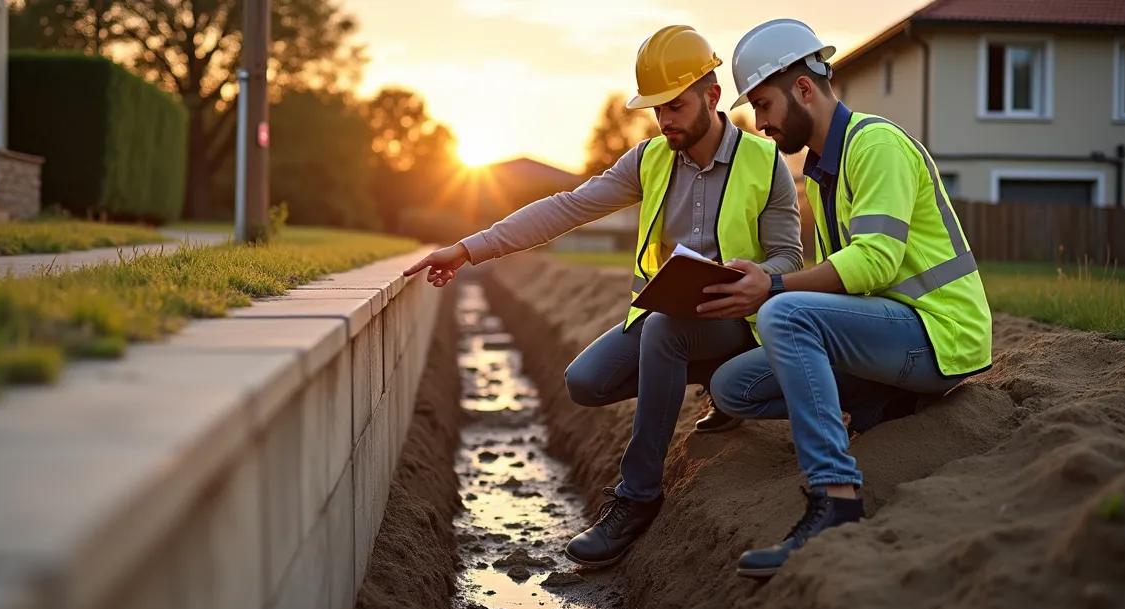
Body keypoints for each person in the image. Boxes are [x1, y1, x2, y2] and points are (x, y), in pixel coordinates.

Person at [403, 25, 804, 567]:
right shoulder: (650, 159)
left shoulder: (767, 164)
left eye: (675, 106)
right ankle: (709, 379)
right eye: (656, 109)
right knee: (585, 382)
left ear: (712, 97)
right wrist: (469, 249)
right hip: (671, 313)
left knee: (666, 332)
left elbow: (789, 260)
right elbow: (566, 208)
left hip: (737, 320)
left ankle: (637, 498)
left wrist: (755, 276)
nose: (664, 120)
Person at [698, 19, 994, 578]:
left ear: (803, 89)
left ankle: (835, 498)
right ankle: (882, 406)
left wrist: (774, 287)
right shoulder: (820, 173)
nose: (759, 124)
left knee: (784, 309)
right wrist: (760, 281)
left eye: (763, 105)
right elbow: (843, 277)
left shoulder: (875, 145)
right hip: (893, 338)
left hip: (939, 334)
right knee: (732, 387)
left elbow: (876, 261)